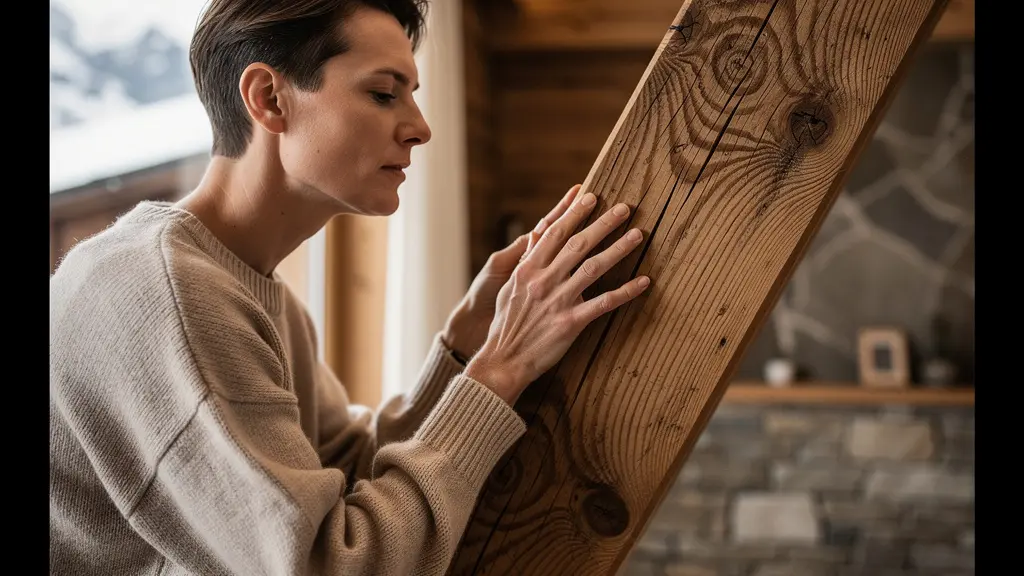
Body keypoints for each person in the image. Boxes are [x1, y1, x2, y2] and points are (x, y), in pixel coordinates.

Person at [48, 0, 651, 574]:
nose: (420, 129)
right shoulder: (163, 294)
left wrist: (464, 350)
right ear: (269, 99)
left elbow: (343, 476)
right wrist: (503, 365)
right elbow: (325, 563)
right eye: (383, 93)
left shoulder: (258, 297)